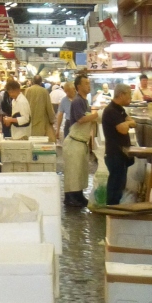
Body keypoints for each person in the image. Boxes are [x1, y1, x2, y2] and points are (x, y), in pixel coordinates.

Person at [63, 75, 97, 207]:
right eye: (86, 83)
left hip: (81, 142)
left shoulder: (84, 101)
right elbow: (80, 119)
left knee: (80, 172)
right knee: (73, 172)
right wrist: (96, 115)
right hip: (74, 142)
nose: (89, 85)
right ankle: (70, 198)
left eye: (89, 83)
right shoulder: (77, 101)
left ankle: (79, 196)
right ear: (79, 87)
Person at [102, 84, 136, 206]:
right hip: (114, 154)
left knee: (120, 185)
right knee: (115, 186)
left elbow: (132, 122)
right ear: (121, 95)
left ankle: (114, 210)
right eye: (129, 94)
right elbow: (123, 129)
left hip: (121, 154)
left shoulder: (119, 109)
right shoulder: (111, 110)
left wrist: (128, 123)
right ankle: (111, 211)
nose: (131, 98)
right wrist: (128, 123)